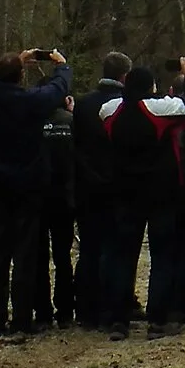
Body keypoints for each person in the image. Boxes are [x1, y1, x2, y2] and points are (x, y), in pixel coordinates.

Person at [0, 48, 73, 337]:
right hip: (28, 185)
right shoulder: (28, 102)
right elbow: (56, 90)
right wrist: (61, 66)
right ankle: (21, 319)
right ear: (20, 76)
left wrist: (16, 62)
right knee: (24, 255)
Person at [101, 67, 185, 339]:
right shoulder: (158, 109)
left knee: (123, 256)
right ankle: (158, 319)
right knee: (162, 256)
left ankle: (119, 319)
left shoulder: (110, 110)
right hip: (160, 192)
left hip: (124, 190)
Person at [72, 51, 132, 328]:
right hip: (118, 184)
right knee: (115, 248)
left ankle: (85, 308)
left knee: (89, 248)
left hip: (88, 183)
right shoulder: (127, 105)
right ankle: (112, 306)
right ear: (124, 76)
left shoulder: (83, 104)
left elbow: (78, 145)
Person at [35, 93, 77, 329]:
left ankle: (42, 312)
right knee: (63, 256)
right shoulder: (71, 121)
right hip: (64, 197)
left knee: (39, 256)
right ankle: (65, 311)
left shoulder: (32, 121)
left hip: (38, 197)